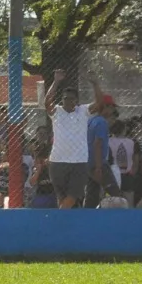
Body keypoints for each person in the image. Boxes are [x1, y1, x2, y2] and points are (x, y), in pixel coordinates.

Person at [43, 69, 101, 208]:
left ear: (76, 101)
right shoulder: (57, 111)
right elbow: (47, 102)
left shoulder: (83, 111)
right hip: (57, 161)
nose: (68, 101)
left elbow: (99, 102)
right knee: (61, 197)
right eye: (65, 98)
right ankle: (64, 219)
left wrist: (95, 83)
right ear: (62, 100)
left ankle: (59, 218)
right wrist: (56, 82)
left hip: (79, 162)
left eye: (71, 99)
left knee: (72, 197)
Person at [84, 95, 119, 209]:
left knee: (91, 196)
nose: (113, 110)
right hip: (98, 164)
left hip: (88, 163)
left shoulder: (91, 120)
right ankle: (119, 218)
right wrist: (99, 167)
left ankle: (86, 217)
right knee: (116, 195)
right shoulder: (102, 122)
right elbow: (97, 144)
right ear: (105, 106)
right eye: (112, 107)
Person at [108, 118, 136, 204]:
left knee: (112, 200)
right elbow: (133, 158)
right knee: (128, 199)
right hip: (127, 174)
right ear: (124, 130)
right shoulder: (131, 142)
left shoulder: (108, 141)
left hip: (112, 174)